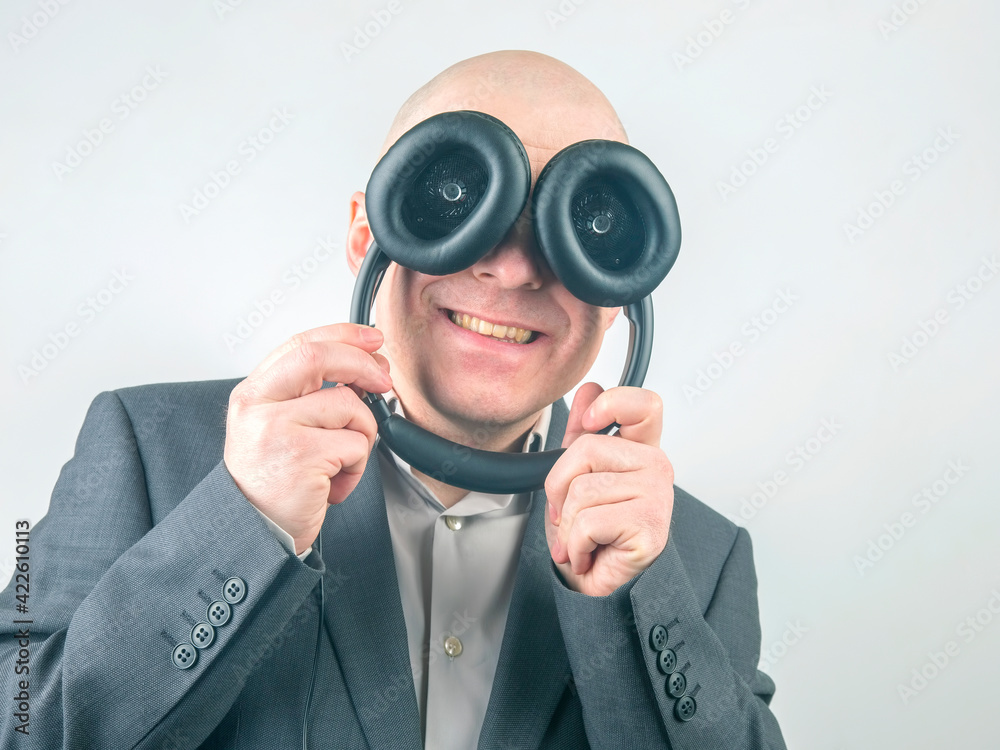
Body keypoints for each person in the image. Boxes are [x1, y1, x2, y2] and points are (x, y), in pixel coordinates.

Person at [0, 50, 786, 749]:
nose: (514, 271)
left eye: (580, 224)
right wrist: (242, 525)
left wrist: (634, 604)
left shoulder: (692, 558)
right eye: (458, 198)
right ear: (365, 232)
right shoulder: (149, 448)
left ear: (620, 291)